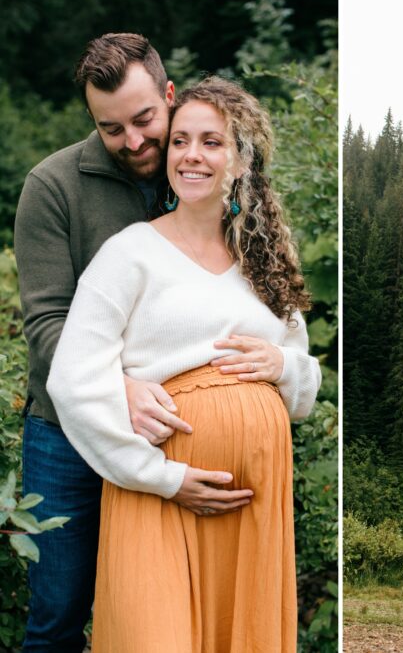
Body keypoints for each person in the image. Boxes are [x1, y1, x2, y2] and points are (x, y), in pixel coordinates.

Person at [46, 75, 321, 651]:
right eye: (181, 141)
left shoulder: (263, 261)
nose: (191, 155)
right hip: (158, 496)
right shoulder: (130, 253)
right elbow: (72, 378)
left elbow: (304, 387)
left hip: (252, 509)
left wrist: (282, 364)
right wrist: (164, 479)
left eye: (212, 142)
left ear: (242, 159)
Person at [13, 33, 266, 652]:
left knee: (159, 615)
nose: (134, 142)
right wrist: (118, 387)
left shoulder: (198, 164)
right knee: (59, 612)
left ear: (169, 94)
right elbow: (46, 323)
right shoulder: (51, 188)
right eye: (111, 128)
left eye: (146, 120)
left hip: (171, 433)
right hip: (65, 435)